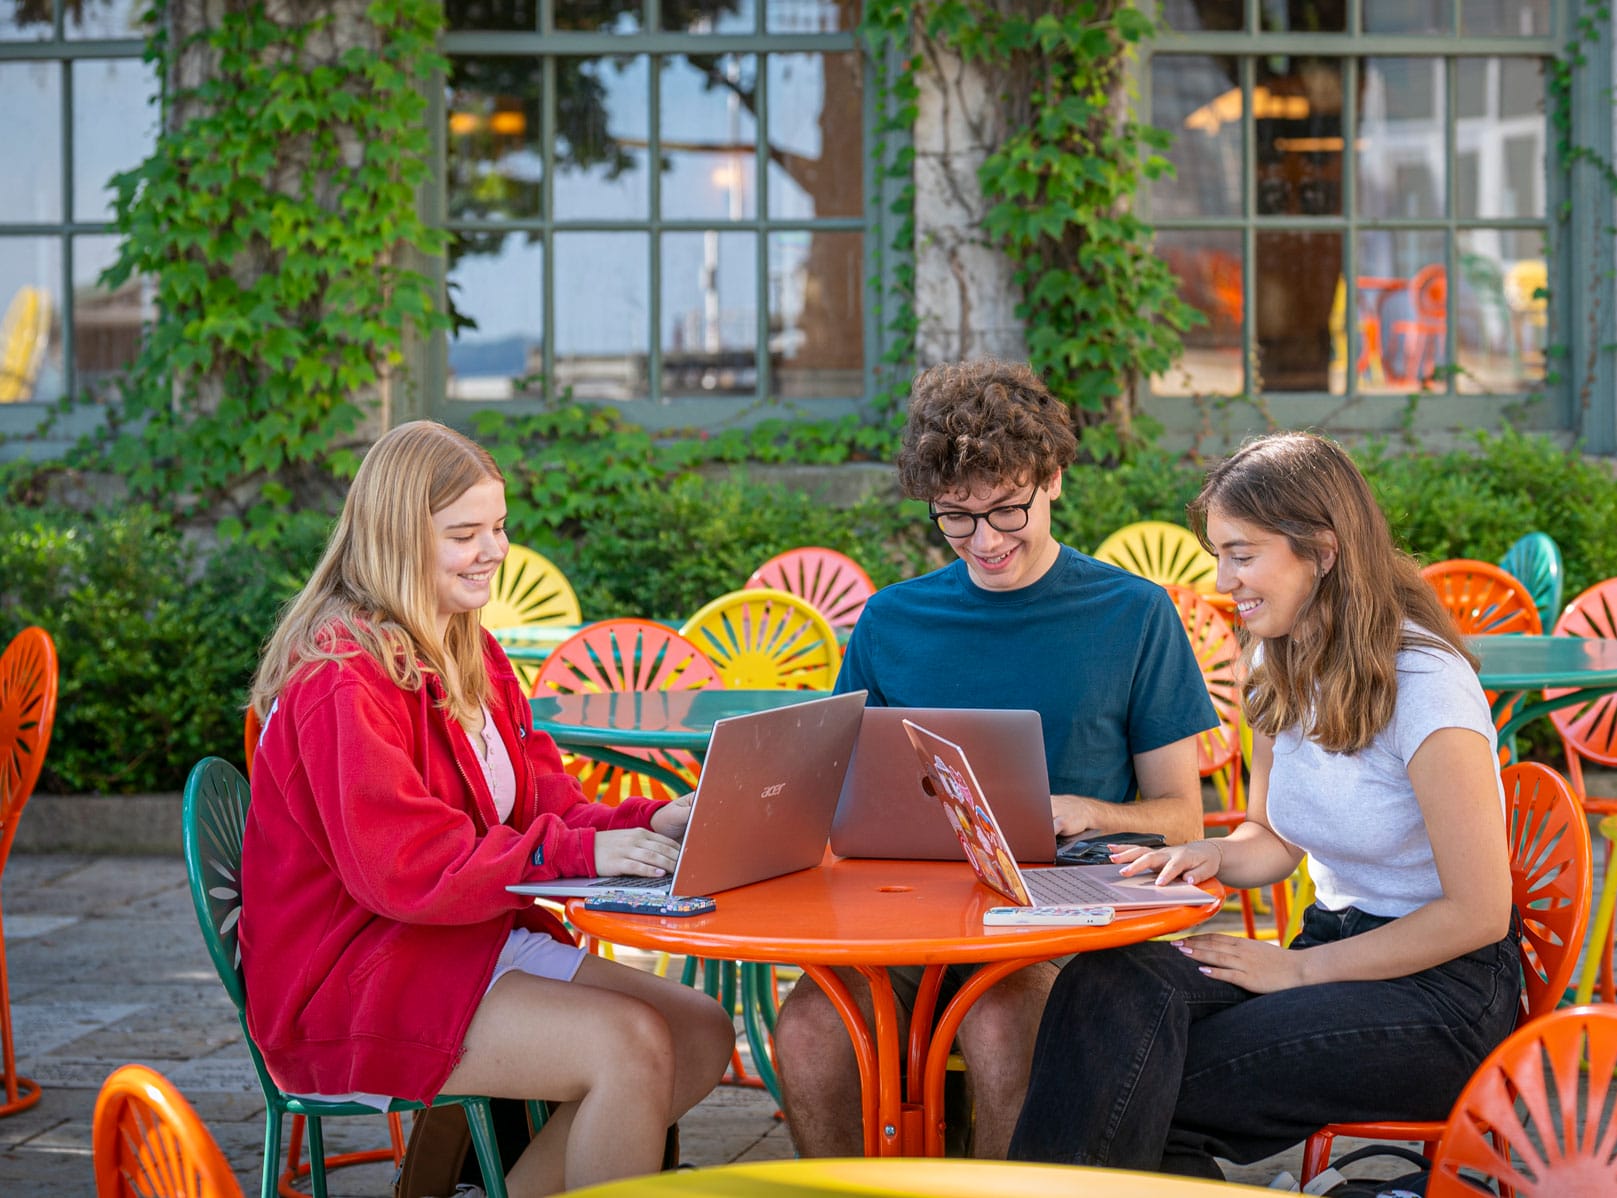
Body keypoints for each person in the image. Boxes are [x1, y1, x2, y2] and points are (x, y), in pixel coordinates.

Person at [239, 421, 735, 1198]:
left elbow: (549, 804)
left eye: (498, 526)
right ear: (395, 540)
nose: (495, 549)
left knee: (701, 1033)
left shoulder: (473, 650)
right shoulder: (342, 679)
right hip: (358, 972)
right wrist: (575, 856)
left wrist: (648, 823)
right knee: (629, 1047)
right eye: (465, 533)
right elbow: (405, 869)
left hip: (462, 939)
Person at [1009, 431, 1522, 1176]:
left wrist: (1304, 973)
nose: (1223, 580)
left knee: (1140, 1080)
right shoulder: (1275, 659)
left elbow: (1481, 913)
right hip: (1335, 949)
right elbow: (1274, 838)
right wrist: (1207, 854)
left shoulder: (1426, 686)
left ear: (1323, 549)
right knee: (1108, 981)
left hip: (1443, 994)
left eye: (1242, 554)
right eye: (1220, 553)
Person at [771, 360, 1218, 1158]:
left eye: (1007, 511)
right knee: (807, 1032)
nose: (985, 541)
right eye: (956, 518)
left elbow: (1183, 816)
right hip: (911, 919)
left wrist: (1092, 812)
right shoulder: (892, 619)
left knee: (1002, 1022)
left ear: (1052, 479)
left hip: (1059, 923)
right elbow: (835, 795)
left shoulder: (1133, 614)